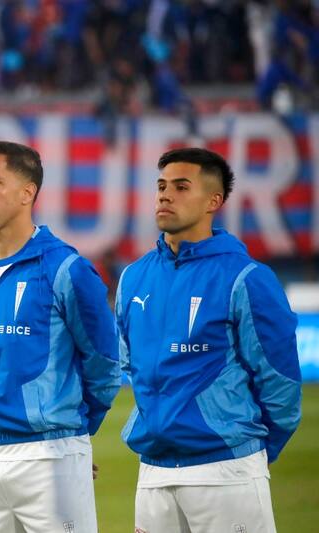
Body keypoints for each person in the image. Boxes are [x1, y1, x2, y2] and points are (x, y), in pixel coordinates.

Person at [116, 147, 302, 533]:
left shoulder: (246, 278)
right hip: (153, 472)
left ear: (213, 201)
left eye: (181, 187)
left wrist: (247, 455)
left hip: (226, 471)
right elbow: (128, 363)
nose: (165, 195)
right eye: (161, 185)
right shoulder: (133, 277)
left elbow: (280, 382)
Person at [0, 140, 121, 533]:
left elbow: (104, 365)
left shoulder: (67, 270)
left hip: (51, 454)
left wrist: (73, 433)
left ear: (28, 192)